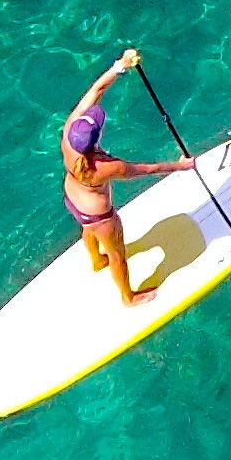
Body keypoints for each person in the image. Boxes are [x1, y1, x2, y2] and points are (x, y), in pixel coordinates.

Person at [58, 48, 191, 305]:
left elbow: (96, 90)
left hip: (73, 200)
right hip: (100, 216)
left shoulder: (68, 133)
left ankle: (96, 261)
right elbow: (146, 170)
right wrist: (180, 165)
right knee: (118, 255)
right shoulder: (105, 167)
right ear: (97, 137)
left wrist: (121, 65)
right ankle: (128, 297)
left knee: (87, 229)